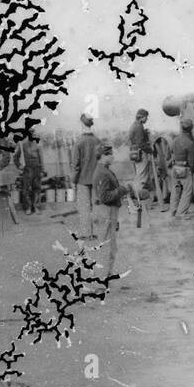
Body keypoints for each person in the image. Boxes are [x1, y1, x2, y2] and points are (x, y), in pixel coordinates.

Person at [91, 143, 124, 279]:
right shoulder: (103, 173)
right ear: (103, 156)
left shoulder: (103, 169)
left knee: (109, 246)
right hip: (106, 212)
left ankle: (104, 277)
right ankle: (101, 279)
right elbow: (105, 197)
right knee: (107, 248)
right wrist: (122, 190)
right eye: (110, 154)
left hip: (107, 212)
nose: (113, 156)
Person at [71, 114, 102, 239]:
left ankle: (86, 233)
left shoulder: (79, 142)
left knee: (84, 207)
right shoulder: (98, 141)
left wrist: (73, 181)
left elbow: (76, 165)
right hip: (96, 178)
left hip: (82, 180)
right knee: (96, 205)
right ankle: (98, 232)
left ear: (82, 124)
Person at [168, 118, 194, 218]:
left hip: (175, 168)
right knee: (187, 191)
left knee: (175, 190)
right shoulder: (190, 143)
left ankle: (172, 211)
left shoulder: (175, 140)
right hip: (185, 169)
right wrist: (193, 169)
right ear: (191, 129)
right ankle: (182, 213)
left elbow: (170, 153)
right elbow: (192, 160)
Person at [15, 129, 44, 214]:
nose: (33, 135)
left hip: (37, 169)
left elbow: (41, 158)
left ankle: (36, 207)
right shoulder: (22, 144)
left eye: (33, 133)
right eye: (31, 133)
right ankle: (28, 208)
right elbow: (15, 157)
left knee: (37, 189)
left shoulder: (38, 144)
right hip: (27, 169)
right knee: (26, 189)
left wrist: (42, 170)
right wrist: (19, 166)